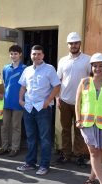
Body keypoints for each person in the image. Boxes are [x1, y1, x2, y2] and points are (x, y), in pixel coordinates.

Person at [75, 53, 102, 184]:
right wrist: (78, 119)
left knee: (99, 152)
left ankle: (91, 178)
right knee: (94, 152)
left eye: (100, 66)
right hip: (87, 123)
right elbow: (78, 102)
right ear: (91, 67)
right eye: (95, 66)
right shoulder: (85, 81)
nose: (97, 68)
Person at [17, 45, 60, 175]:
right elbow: (23, 87)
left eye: (39, 54)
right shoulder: (27, 70)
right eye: (34, 54)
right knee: (31, 137)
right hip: (29, 108)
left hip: (43, 108)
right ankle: (30, 163)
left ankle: (44, 165)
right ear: (31, 55)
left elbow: (57, 86)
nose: (36, 56)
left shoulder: (49, 69)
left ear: (43, 55)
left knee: (45, 138)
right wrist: (20, 100)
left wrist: (48, 101)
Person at [56, 32, 91, 166]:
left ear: (80, 44)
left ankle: (79, 155)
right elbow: (57, 80)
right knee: (65, 129)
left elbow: (91, 80)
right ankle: (66, 154)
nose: (74, 45)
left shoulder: (87, 59)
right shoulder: (63, 61)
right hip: (64, 101)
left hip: (81, 102)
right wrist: (57, 97)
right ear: (68, 45)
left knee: (80, 130)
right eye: (71, 43)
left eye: (76, 43)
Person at [0, 45, 26, 157]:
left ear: (20, 54)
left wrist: (22, 99)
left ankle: (15, 148)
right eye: (11, 54)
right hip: (6, 101)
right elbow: (4, 84)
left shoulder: (24, 68)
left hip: (18, 102)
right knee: (4, 126)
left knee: (16, 126)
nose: (13, 56)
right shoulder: (5, 68)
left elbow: (26, 86)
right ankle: (4, 147)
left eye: (15, 53)